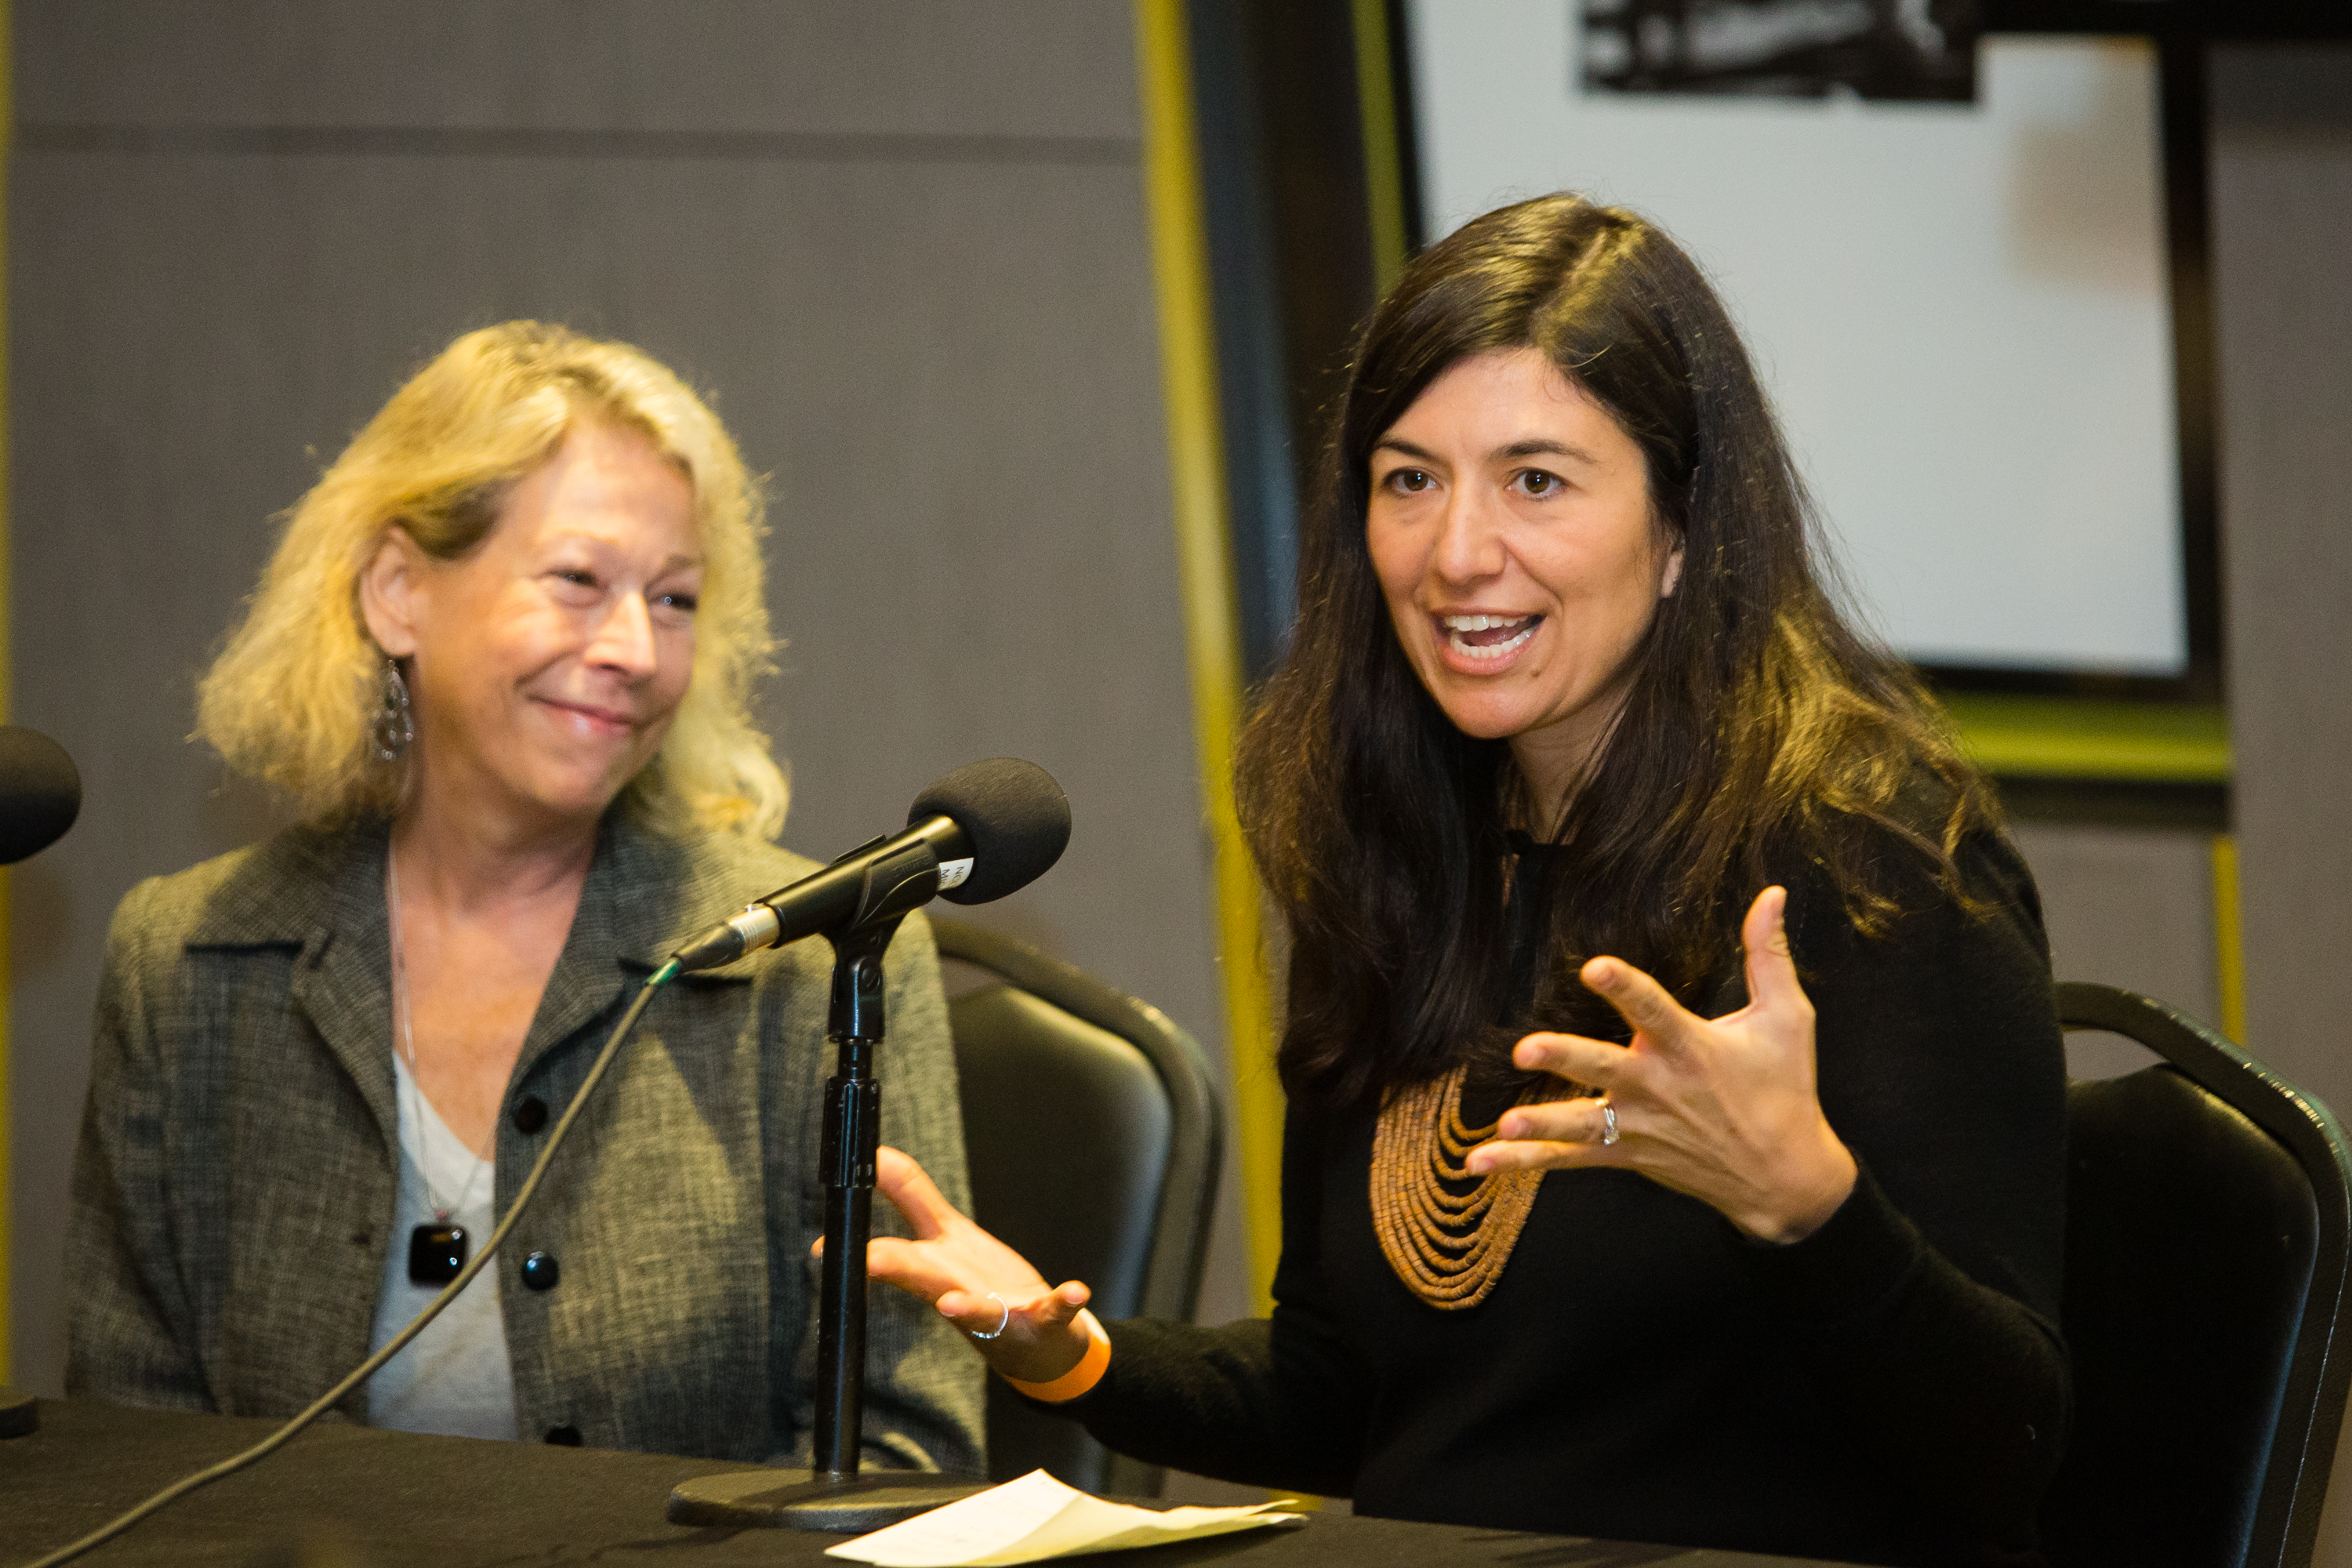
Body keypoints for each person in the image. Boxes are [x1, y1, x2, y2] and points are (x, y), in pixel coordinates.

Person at [856, 196, 2068, 1566]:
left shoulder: (1867, 863)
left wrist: (1806, 1207)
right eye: (1410, 478)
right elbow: (1349, 1402)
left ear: (1680, 532)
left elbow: (2008, 1452)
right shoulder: (1402, 848)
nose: (1456, 555)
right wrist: (1064, 1355)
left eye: (1536, 481)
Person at [67, 322, 984, 1472]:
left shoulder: (816, 958)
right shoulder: (189, 962)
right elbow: (128, 1458)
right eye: (579, 582)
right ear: (399, 591)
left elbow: (907, 1455)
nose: (636, 650)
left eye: (676, 600)